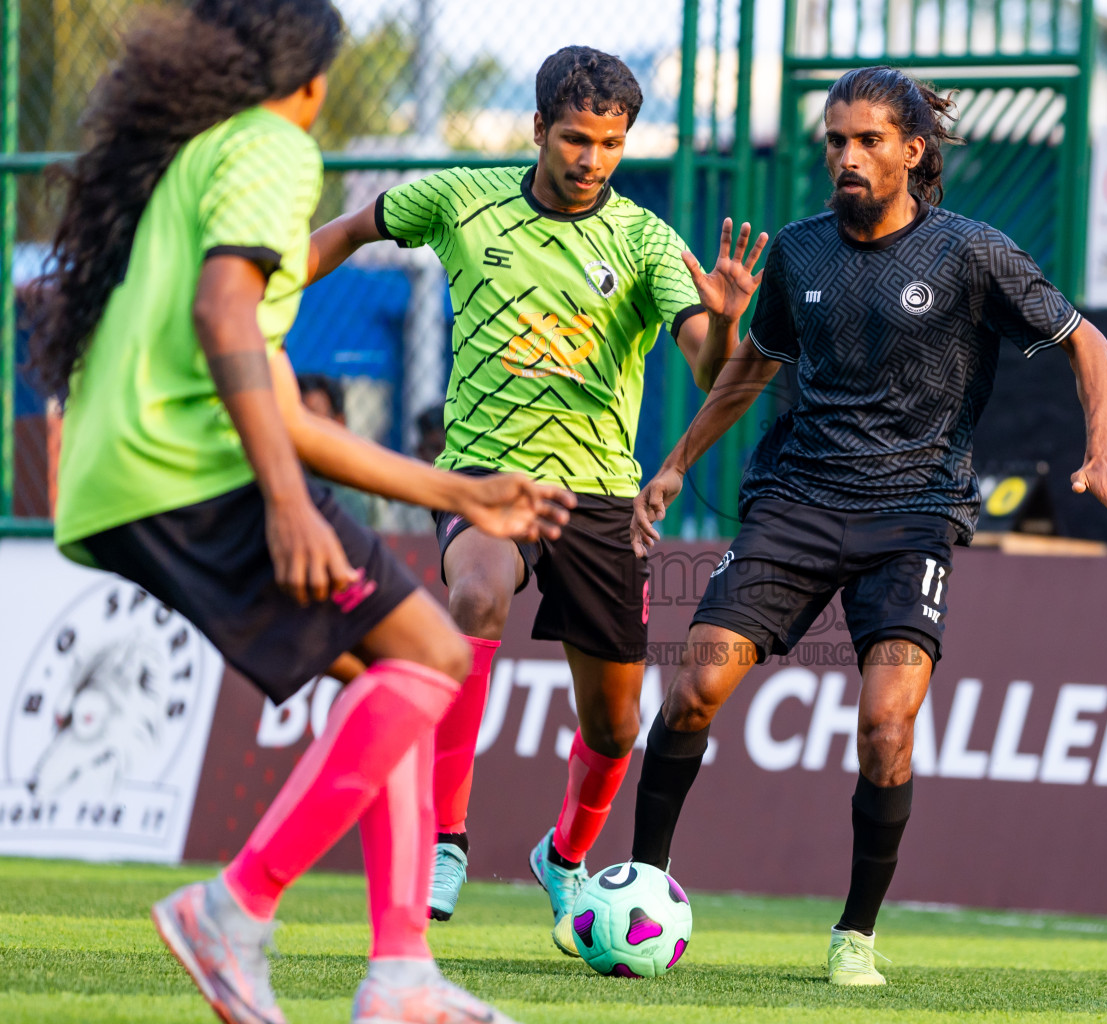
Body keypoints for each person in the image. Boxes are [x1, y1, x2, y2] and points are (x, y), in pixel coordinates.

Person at [31, 3, 574, 1022]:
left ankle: (403, 974)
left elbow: (276, 396)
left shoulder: (196, 159)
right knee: (434, 657)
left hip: (129, 475)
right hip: (192, 465)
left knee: (395, 667)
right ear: (315, 80)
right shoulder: (275, 147)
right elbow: (224, 318)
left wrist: (456, 491)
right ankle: (233, 909)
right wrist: (286, 503)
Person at [625, 65, 1107, 986]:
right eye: (835, 140)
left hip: (914, 515)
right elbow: (751, 368)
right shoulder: (797, 252)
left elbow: (1087, 340)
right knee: (693, 689)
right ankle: (639, 886)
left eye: (868, 140)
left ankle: (855, 935)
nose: (847, 156)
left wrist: (1102, 448)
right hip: (796, 501)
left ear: (913, 151)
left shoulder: (970, 253)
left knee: (885, 728)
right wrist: (675, 464)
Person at [306, 45, 766, 947]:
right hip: (484, 475)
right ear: (537, 131)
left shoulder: (642, 239)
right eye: (575, 138)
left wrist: (728, 318)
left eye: (610, 142)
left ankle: (563, 858)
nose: (591, 158)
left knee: (616, 722)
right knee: (475, 590)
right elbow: (349, 231)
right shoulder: (457, 198)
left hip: (599, 499)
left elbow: (710, 367)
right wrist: (264, 298)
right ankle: (447, 838)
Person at [296, 373, 372, 525]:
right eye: (297, 419)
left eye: (314, 419)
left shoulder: (352, 492)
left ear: (339, 423)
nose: (301, 431)